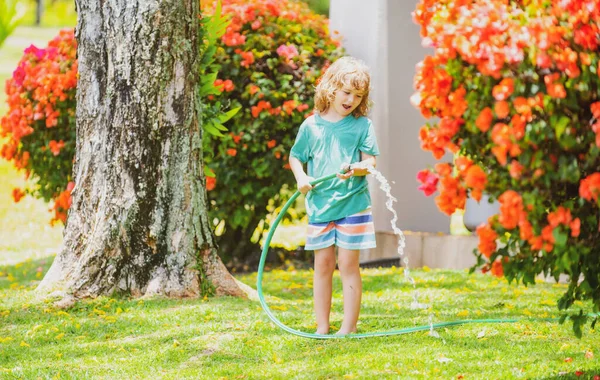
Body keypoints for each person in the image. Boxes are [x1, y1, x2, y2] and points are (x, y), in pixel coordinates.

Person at [289, 56, 379, 335]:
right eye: (346, 92)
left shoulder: (362, 125)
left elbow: (371, 162)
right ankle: (322, 326)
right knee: (323, 265)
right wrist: (301, 177)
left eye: (358, 95)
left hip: (353, 204)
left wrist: (356, 168)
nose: (351, 99)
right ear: (331, 88)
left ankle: (348, 327)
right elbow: (296, 156)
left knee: (348, 264)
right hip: (320, 205)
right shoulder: (311, 126)